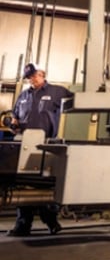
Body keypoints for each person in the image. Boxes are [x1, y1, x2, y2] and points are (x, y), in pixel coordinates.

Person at [6, 63, 73, 237]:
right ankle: (23, 225)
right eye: (29, 78)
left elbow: (76, 105)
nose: (32, 80)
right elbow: (15, 118)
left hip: (46, 146)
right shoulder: (23, 96)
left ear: (42, 74)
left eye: (35, 76)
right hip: (25, 145)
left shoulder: (58, 92)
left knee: (45, 185)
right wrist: (13, 123)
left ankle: (51, 221)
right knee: (25, 186)